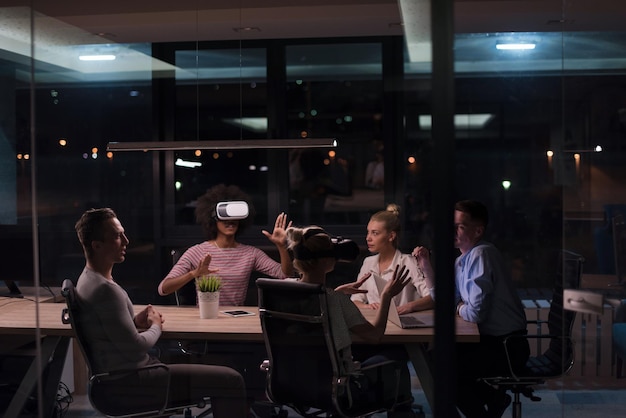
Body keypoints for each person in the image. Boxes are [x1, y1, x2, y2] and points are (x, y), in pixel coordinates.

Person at [74, 208, 247, 418]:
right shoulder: (105, 290)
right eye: (118, 236)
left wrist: (133, 321)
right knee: (231, 379)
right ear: (97, 245)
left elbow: (111, 333)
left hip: (121, 378)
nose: (127, 241)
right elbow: (136, 346)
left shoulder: (88, 279)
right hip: (130, 384)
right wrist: (156, 324)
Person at [412, 200, 529, 418]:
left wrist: (457, 307)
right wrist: (425, 266)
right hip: (492, 343)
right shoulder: (462, 260)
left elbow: (474, 313)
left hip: (507, 347)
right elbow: (448, 301)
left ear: (478, 230)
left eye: (460, 226)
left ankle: (488, 405)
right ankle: (492, 400)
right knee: (435, 358)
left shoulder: (481, 254)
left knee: (442, 367)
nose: (453, 230)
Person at [286, 225, 419, 418]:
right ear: (325, 261)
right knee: (398, 352)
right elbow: (374, 335)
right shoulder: (334, 301)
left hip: (297, 378)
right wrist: (386, 296)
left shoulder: (284, 292)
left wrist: (337, 292)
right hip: (341, 386)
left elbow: (317, 303)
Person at [158, 184, 294, 305]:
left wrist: (281, 247)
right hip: (206, 318)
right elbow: (163, 288)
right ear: (213, 218)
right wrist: (194, 274)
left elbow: (285, 275)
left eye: (235, 215)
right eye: (225, 214)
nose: (230, 220)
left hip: (236, 320)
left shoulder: (251, 254)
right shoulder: (197, 252)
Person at [347, 204, 433, 314]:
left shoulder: (408, 262)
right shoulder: (368, 262)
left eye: (375, 233)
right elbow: (355, 299)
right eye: (368, 232)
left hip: (402, 325)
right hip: (374, 324)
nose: (368, 238)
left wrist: (409, 306)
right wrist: (367, 306)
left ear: (391, 236)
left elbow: (432, 298)